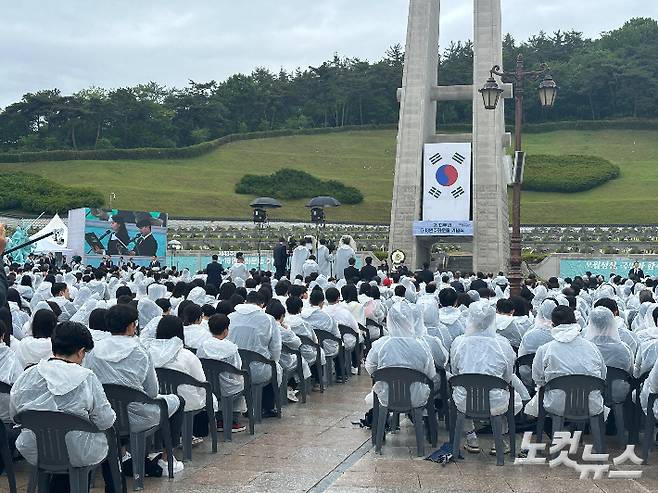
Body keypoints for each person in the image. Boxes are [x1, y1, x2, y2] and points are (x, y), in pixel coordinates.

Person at [10, 321, 118, 493]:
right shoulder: (86, 378)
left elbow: (14, 414)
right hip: (77, 453)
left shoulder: (28, 375)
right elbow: (105, 421)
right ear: (81, 352)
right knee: (109, 435)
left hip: (36, 449)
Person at [84, 304, 185, 474]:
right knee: (178, 401)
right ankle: (167, 459)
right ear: (132, 325)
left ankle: (122, 454)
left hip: (106, 415)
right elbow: (152, 392)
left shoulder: (94, 351)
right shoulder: (140, 351)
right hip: (138, 417)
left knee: (116, 405)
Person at [144, 315, 217, 440]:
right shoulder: (187, 355)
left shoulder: (147, 353)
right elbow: (201, 382)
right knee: (208, 395)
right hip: (186, 402)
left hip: (157, 400)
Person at [527, 306, 606, 420]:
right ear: (575, 322)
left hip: (558, 404)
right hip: (590, 403)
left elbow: (538, 378)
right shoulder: (592, 347)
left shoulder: (545, 349)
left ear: (553, 324)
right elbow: (602, 376)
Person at [365, 301, 435, 410]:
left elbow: (370, 368)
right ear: (410, 320)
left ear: (389, 320)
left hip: (387, 396)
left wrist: (385, 375)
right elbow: (431, 374)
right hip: (416, 398)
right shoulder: (422, 346)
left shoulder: (380, 345)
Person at [227, 291, 282, 418]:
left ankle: (246, 406)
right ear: (262, 304)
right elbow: (276, 346)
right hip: (258, 370)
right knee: (276, 368)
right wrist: (273, 360)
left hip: (235, 368)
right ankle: (266, 407)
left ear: (246, 301)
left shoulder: (230, 317)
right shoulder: (268, 319)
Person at [197, 314, 247, 432]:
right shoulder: (231, 348)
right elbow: (237, 368)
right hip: (228, 387)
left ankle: (219, 419)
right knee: (242, 381)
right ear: (226, 330)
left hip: (209, 386)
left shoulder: (202, 346)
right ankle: (233, 420)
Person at [582, 307, 632, 403]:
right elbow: (629, 371)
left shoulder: (584, 348)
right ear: (612, 324)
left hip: (590, 394)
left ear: (591, 324)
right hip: (617, 394)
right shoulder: (623, 349)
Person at [265, 300, 309, 403]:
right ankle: (291, 387)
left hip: (267, 360)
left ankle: (289, 387)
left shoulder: (264, 326)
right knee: (301, 361)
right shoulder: (281, 329)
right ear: (281, 316)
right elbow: (297, 343)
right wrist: (288, 328)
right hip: (282, 361)